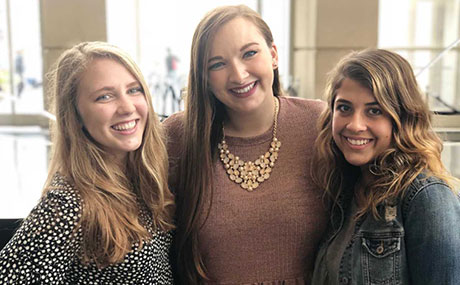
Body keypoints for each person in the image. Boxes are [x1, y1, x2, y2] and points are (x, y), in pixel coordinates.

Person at [163, 5, 328, 284]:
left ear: (273, 55)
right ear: (204, 76)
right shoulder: (177, 137)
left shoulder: (319, 123)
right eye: (217, 64)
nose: (238, 75)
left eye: (249, 53)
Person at [0, 42, 175, 284]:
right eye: (105, 96)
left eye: (134, 90)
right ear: (75, 115)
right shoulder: (68, 204)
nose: (127, 107)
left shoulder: (144, 175)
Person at [311, 49, 460, 284]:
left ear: (401, 118)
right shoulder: (344, 188)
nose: (355, 125)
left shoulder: (427, 197)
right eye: (344, 108)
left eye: (374, 111)